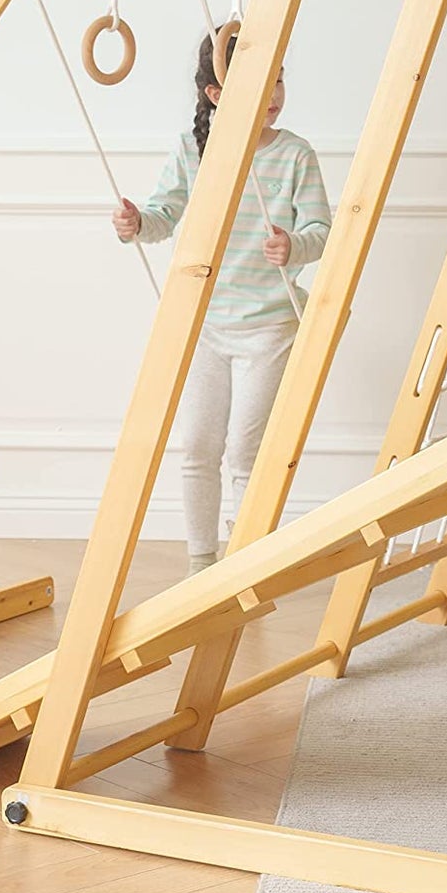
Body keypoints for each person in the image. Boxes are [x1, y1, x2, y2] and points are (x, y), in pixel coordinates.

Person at [113, 31, 331, 574]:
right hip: (207, 323)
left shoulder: (294, 154)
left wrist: (294, 244)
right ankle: (201, 565)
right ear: (216, 96)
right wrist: (138, 222)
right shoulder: (194, 150)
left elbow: (321, 229)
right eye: (262, 83)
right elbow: (164, 213)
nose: (275, 91)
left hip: (271, 327)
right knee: (197, 448)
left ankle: (249, 559)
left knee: (247, 453)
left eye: (278, 77)